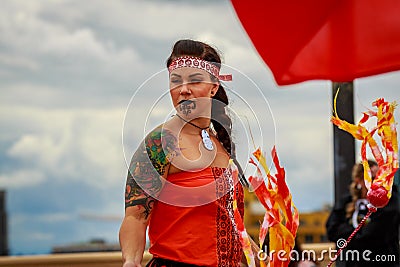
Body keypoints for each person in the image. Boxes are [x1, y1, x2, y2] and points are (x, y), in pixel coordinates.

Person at [119, 39, 261, 267]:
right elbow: (136, 216)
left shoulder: (220, 146)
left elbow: (235, 228)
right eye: (176, 81)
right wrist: (130, 262)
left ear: (214, 87)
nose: (183, 89)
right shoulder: (160, 143)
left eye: (194, 81)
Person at [326, 160, 400, 267]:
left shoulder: (390, 201)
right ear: (358, 180)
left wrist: (350, 235)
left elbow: (373, 235)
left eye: (380, 179)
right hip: (351, 262)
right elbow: (331, 230)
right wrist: (355, 234)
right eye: (372, 179)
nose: (377, 184)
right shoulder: (346, 201)